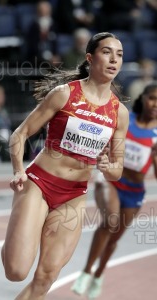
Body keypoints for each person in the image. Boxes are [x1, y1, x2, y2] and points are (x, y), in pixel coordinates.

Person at [1, 32, 129, 300]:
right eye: (107, 52)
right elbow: (20, 134)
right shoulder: (64, 94)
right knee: (16, 270)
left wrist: (107, 166)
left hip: (73, 195)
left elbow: (117, 170)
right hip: (39, 183)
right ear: (90, 58)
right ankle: (17, 232)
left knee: (46, 277)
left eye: (119, 54)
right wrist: (18, 170)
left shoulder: (120, 113)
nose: (114, 59)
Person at [71, 83, 157, 299]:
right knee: (110, 220)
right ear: (143, 97)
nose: (155, 104)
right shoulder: (126, 119)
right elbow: (105, 141)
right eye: (152, 98)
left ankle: (99, 274)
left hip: (134, 190)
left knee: (114, 238)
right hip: (110, 180)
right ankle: (86, 271)